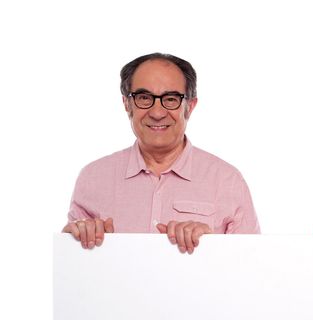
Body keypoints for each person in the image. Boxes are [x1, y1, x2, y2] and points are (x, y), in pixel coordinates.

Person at [63, 53, 260, 253]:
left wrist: (209, 250)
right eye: (144, 98)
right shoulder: (93, 178)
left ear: (190, 107)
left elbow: (252, 267)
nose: (157, 113)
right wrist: (75, 238)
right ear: (126, 104)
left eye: (171, 99)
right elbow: (72, 269)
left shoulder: (228, 180)